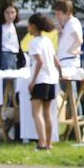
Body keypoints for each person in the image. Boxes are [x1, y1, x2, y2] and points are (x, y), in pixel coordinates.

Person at [25, 11, 61, 150]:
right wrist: (61, 72)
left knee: (37, 113)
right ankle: (49, 143)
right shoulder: (47, 41)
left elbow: (39, 62)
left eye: (28, 25)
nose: (28, 27)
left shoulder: (34, 42)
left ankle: (41, 143)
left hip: (41, 80)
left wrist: (32, 81)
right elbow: (55, 59)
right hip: (52, 79)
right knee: (47, 113)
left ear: (33, 26)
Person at [0, 4, 21, 71]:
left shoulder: (16, 27)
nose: (10, 16)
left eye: (13, 12)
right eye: (7, 12)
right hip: (5, 55)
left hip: (16, 56)